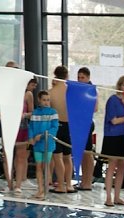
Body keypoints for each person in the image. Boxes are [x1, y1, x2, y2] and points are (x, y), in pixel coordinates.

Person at [102, 75, 124, 207]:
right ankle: (108, 197)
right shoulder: (112, 100)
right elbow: (114, 121)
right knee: (112, 166)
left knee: (122, 167)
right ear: (119, 86)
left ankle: (117, 197)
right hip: (113, 136)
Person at [27, 89, 59, 199]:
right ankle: (40, 189)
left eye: (48, 100)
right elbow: (31, 126)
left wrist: (41, 136)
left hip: (48, 143)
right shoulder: (35, 113)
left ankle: (45, 188)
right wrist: (31, 137)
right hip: (37, 144)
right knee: (39, 167)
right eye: (44, 100)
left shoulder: (53, 112)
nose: (46, 102)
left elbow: (54, 127)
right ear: (39, 100)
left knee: (46, 166)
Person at [49, 65, 74, 193]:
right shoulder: (71, 91)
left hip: (57, 126)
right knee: (68, 157)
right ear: (66, 76)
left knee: (57, 157)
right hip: (69, 126)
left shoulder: (51, 92)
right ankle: (69, 184)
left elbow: (48, 113)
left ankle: (60, 185)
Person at [75, 66, 97, 191]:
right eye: (78, 77)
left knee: (87, 153)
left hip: (87, 123)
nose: (79, 80)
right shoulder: (79, 90)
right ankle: (84, 180)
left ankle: (88, 181)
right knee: (82, 153)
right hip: (80, 123)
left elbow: (95, 108)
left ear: (88, 78)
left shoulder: (90, 90)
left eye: (82, 77)